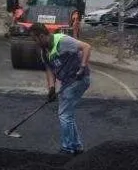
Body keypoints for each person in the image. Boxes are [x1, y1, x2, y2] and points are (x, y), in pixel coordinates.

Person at [28, 23, 92, 155]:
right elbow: (50, 69)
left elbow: (86, 47)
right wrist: (51, 88)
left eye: (35, 39)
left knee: (64, 114)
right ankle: (76, 146)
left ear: (41, 36)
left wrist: (82, 67)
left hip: (78, 79)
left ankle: (67, 148)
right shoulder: (44, 51)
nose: (35, 43)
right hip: (67, 82)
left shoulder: (63, 41)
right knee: (67, 114)